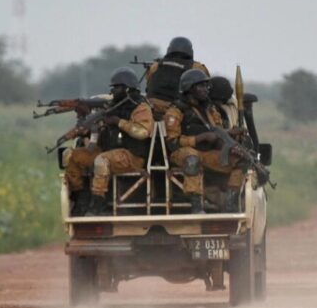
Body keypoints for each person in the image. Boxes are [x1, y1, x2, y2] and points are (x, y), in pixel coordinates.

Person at [64, 67, 155, 216]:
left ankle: (97, 204)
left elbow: (143, 132)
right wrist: (84, 121)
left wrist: (118, 122)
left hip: (131, 156)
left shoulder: (140, 107)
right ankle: (81, 198)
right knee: (71, 156)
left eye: (117, 87)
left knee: (101, 160)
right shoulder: (111, 106)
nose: (113, 91)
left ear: (127, 89)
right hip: (107, 152)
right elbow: (93, 130)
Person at [163, 69, 246, 213]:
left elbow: (218, 134)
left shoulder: (210, 109)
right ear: (189, 88)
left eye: (206, 86)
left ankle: (230, 204)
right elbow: (173, 142)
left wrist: (230, 142)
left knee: (241, 160)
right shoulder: (175, 111)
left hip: (206, 154)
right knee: (192, 159)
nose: (205, 90)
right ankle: (196, 207)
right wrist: (201, 138)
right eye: (200, 86)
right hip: (182, 154)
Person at [145, 36, 210, 117]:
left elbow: (148, 83)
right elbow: (206, 86)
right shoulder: (197, 67)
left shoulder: (156, 65)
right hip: (178, 110)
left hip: (152, 108)